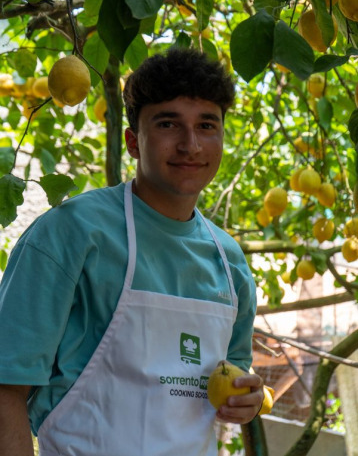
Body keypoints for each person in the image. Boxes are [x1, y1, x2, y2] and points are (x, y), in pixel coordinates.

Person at [0, 47, 264, 456]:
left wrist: (244, 402)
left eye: (207, 125)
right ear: (133, 142)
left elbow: (231, 376)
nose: (191, 145)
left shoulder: (230, 263)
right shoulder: (71, 234)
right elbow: (6, 386)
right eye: (168, 124)